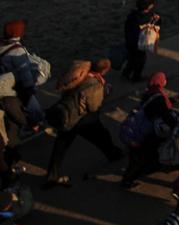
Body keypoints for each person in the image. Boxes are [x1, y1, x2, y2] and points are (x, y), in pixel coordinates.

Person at [42, 58, 125, 187]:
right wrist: (104, 94)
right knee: (102, 136)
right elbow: (93, 107)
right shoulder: (94, 84)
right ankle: (114, 154)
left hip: (67, 117)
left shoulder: (78, 75)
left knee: (60, 147)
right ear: (104, 71)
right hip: (83, 120)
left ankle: (52, 176)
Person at [122, 0, 160, 81]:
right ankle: (136, 77)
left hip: (129, 40)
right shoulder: (145, 17)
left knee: (132, 58)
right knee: (141, 59)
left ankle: (126, 72)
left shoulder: (133, 15)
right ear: (148, 7)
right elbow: (150, 25)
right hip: (138, 42)